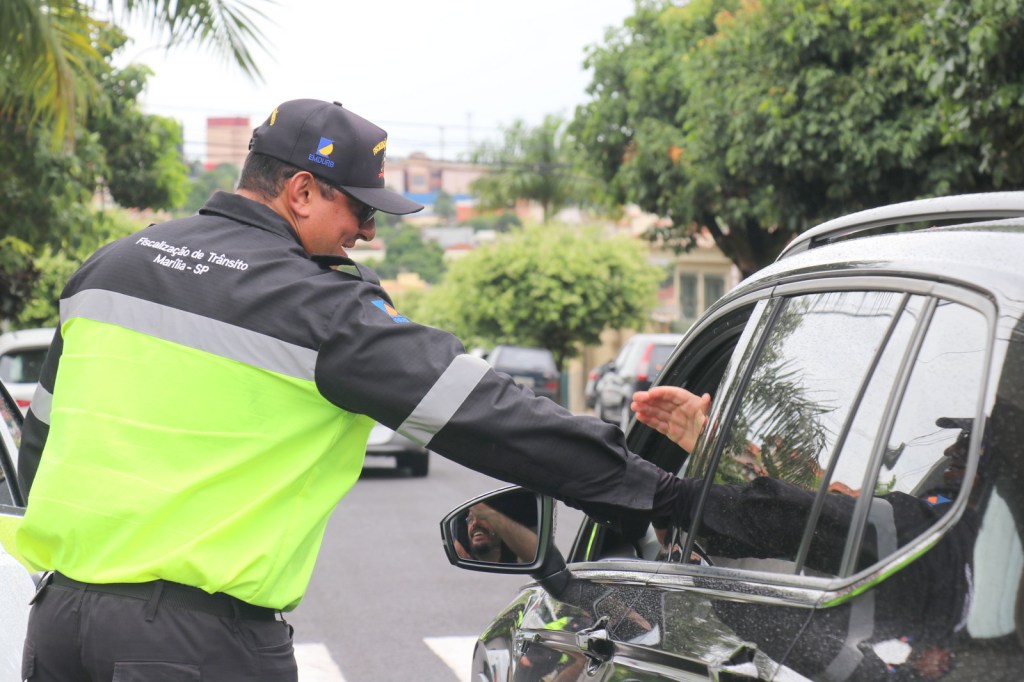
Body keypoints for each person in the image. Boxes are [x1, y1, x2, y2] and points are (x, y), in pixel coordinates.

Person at [15, 98, 689, 681]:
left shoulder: (108, 267)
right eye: (362, 209)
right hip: (192, 646)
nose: (367, 231)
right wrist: (670, 496)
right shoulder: (316, 305)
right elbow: (488, 415)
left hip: (57, 625)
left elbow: (39, 448)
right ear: (302, 191)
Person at [632, 385, 981, 679]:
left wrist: (670, 497)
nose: (950, 449)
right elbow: (815, 516)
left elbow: (808, 522)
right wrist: (720, 459)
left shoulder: (932, 529)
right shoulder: (959, 543)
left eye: (968, 443)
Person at [455, 502, 539, 563]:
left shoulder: (517, 556)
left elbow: (535, 555)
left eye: (482, 517)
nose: (475, 523)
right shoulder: (464, 557)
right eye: (470, 519)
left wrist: (490, 514)